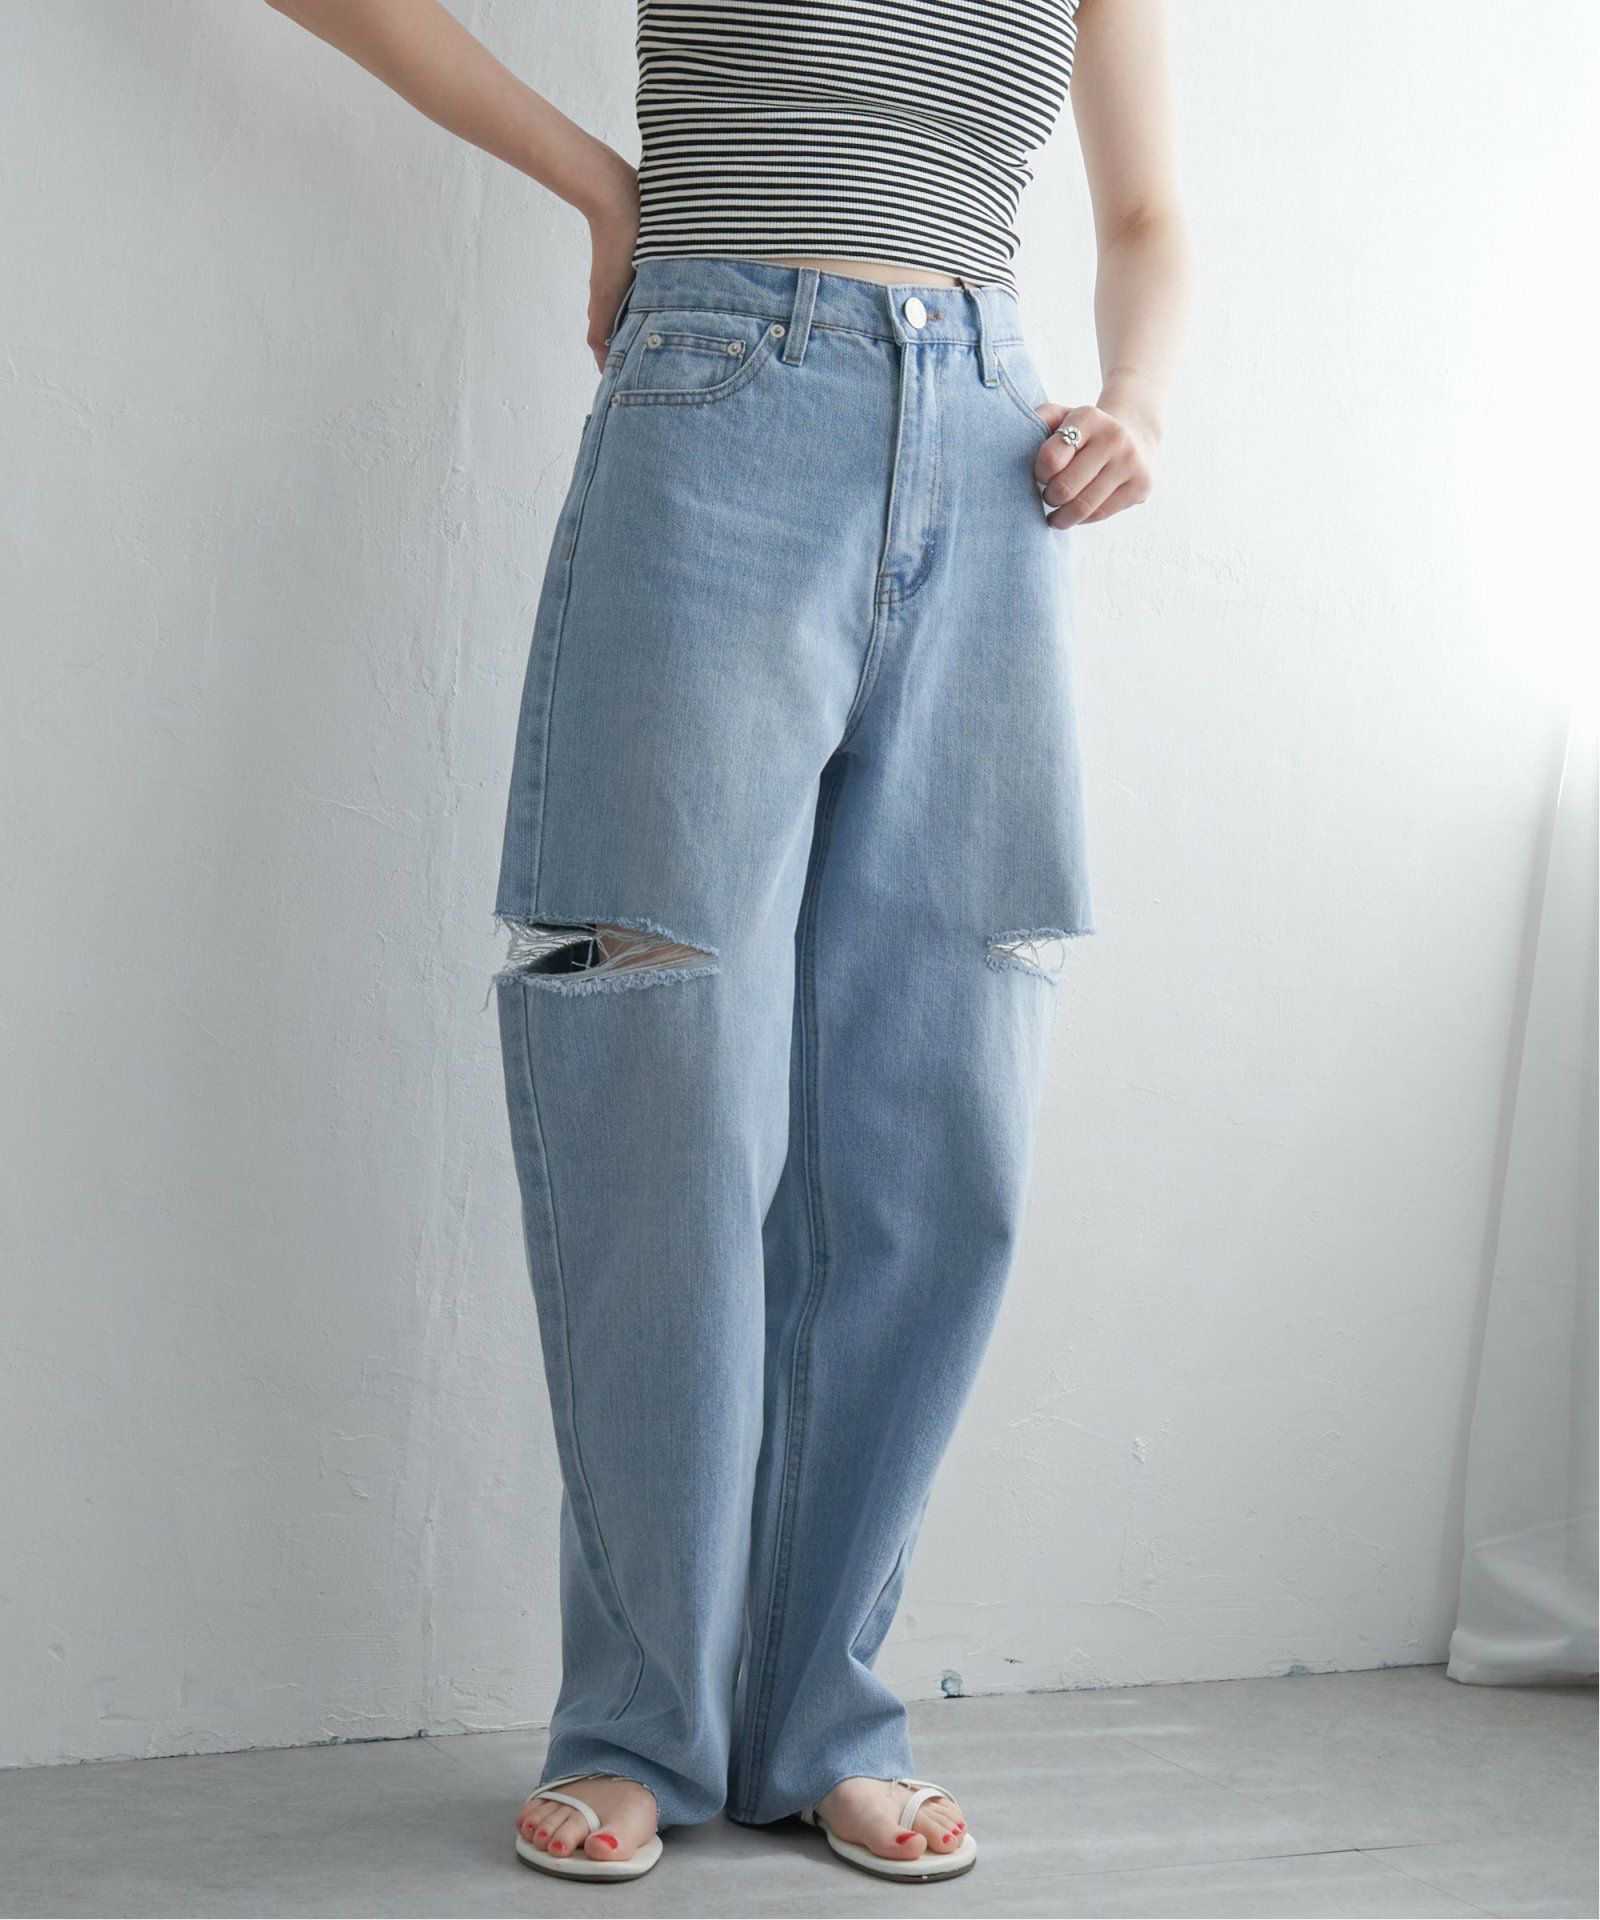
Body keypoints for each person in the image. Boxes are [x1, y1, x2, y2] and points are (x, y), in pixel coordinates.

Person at [265, 0, 1190, 1885]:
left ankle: (821, 1719)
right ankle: (637, 1724)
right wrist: (598, 184)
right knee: (663, 1100)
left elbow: (1149, 213)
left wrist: (1144, 405)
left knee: (937, 1136)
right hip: (720, 410)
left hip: (997, 453)